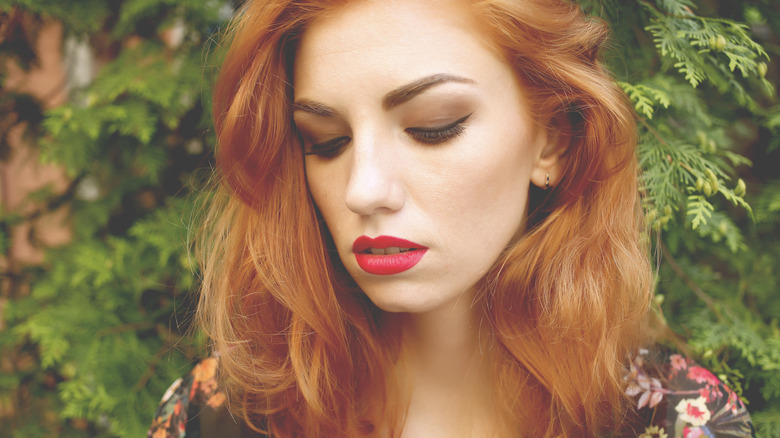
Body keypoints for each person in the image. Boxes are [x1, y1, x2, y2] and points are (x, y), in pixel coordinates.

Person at [148, 0, 755, 437]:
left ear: (554, 141)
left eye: (432, 127)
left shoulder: (676, 422)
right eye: (325, 141)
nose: (364, 189)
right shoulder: (220, 416)